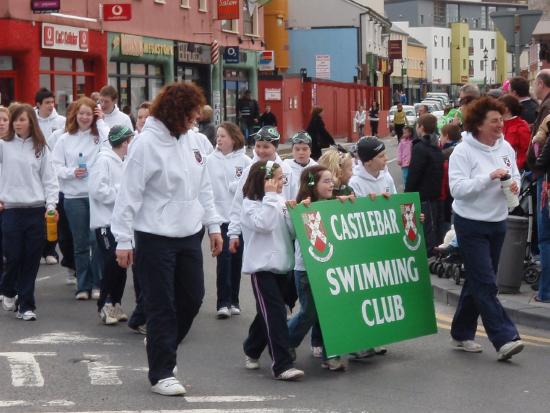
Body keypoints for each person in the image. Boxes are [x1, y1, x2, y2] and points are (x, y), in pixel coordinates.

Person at [111, 82, 223, 396]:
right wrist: (123, 240)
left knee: (193, 297)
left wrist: (213, 227)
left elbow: (205, 188)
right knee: (162, 305)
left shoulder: (196, 141)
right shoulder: (145, 145)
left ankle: (163, 343)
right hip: (153, 236)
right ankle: (161, 373)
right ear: (175, 112)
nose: (196, 119)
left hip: (189, 233)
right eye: (191, 113)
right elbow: (128, 194)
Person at [448, 96, 524, 361]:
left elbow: (514, 174)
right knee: (486, 281)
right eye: (494, 121)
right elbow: (457, 190)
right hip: (470, 223)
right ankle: (504, 338)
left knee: (478, 280)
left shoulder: (506, 149)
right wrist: (487, 178)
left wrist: (514, 184)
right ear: (478, 124)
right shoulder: (463, 151)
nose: (500, 125)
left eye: (501, 120)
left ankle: (460, 331)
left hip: (497, 222)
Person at [240, 160, 305, 381]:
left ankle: (251, 348)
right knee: (276, 313)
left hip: (283, 267)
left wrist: (297, 214)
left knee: (267, 313)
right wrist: (270, 198)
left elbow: (293, 233)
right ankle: (282, 364)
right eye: (276, 179)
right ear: (264, 181)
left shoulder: (280, 202)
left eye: (281, 179)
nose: (280, 183)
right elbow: (264, 225)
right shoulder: (250, 204)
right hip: (262, 269)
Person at [288, 165, 352, 372]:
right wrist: (295, 211)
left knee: (331, 310)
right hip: (306, 269)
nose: (331, 184)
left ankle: (331, 354)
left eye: (331, 180)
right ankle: (284, 342)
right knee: (309, 313)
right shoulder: (301, 208)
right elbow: (292, 233)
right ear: (313, 185)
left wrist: (346, 206)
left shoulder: (332, 205)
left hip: (330, 268)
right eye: (326, 181)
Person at [0, 104, 59, 320]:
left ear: (31, 122)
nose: (17, 123)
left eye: (22, 120)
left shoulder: (41, 147)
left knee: (32, 259)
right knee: (13, 256)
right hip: (11, 210)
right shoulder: (3, 146)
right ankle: (7, 289)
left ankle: (26, 306)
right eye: (15, 120)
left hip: (36, 210)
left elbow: (49, 179)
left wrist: (51, 206)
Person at [52, 97, 109, 301]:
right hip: (73, 196)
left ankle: (97, 283)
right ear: (74, 115)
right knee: (81, 243)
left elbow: (111, 143)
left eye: (88, 114)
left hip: (96, 196)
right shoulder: (64, 139)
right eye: (81, 113)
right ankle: (82, 285)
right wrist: (71, 172)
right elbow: (55, 166)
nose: (84, 117)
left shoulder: (98, 135)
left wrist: (101, 121)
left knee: (96, 241)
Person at [89, 125, 133, 325]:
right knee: (111, 261)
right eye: (129, 141)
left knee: (122, 265)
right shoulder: (103, 160)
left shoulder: (124, 162)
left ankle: (116, 302)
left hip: (121, 223)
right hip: (105, 222)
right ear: (124, 142)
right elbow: (98, 190)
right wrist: (122, 193)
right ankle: (104, 303)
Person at [206, 122, 251, 319]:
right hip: (219, 218)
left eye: (223, 136)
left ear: (233, 138)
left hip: (238, 220)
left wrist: (236, 185)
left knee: (236, 260)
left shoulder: (245, 161)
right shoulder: (209, 160)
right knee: (223, 260)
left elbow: (249, 186)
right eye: (218, 136)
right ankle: (222, 302)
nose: (219, 139)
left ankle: (234, 300)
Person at [405, 114, 445, 254]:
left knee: (425, 227)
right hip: (434, 193)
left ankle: (429, 254)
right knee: (432, 225)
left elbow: (414, 173)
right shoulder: (436, 146)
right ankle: (433, 251)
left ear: (421, 127)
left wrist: (407, 194)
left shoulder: (420, 147)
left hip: (422, 194)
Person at [35, 88, 66, 266]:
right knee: (39, 212)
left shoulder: (60, 121)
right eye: (46, 102)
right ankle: (40, 249)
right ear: (38, 104)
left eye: (52, 102)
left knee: (52, 210)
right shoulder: (31, 119)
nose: (50, 105)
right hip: (35, 170)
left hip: (53, 171)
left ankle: (50, 249)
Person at [530, 70, 550, 301]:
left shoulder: (547, 108)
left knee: (545, 238)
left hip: (546, 182)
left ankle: (545, 291)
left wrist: (538, 144)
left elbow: (543, 158)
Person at [499, 95, 530, 171]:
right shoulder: (500, 124)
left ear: (506, 109)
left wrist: (515, 168)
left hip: (516, 169)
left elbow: (525, 152)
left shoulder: (521, 127)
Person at [283, 131, 317, 199]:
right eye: (297, 149)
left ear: (310, 150)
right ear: (292, 150)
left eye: (305, 149)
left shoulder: (315, 168)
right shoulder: (284, 166)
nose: (301, 152)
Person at [0, 107, 9, 303]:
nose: (1, 123)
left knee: (11, 250)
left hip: (11, 205)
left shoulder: (18, 146)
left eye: (4, 119)